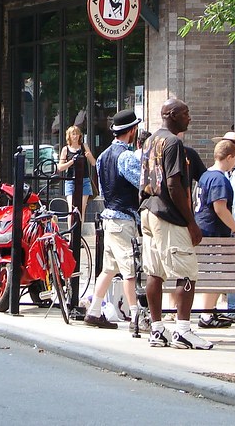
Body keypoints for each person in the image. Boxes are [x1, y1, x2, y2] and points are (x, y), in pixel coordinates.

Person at [138, 98, 212, 350]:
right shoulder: (173, 142)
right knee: (187, 271)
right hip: (168, 214)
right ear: (171, 114)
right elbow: (173, 184)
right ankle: (183, 330)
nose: (189, 118)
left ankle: (157, 330)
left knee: (154, 272)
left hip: (148, 210)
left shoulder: (149, 141)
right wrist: (191, 222)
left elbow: (145, 178)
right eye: (185, 113)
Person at [84, 110, 141, 331]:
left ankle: (95, 310)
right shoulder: (126, 156)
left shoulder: (103, 157)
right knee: (129, 270)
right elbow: (143, 183)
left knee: (109, 268)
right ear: (132, 130)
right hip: (123, 218)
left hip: (108, 216)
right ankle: (136, 317)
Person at [195, 140, 235, 328]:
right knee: (216, 273)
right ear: (229, 157)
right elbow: (220, 209)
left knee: (212, 272)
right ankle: (207, 315)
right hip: (214, 232)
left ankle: (208, 312)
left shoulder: (205, 176)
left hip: (203, 229)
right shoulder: (219, 179)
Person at [56, 125, 96, 219]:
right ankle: (71, 233)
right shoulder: (65, 149)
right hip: (70, 180)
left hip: (84, 180)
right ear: (69, 136)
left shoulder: (84, 146)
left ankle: (80, 232)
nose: (75, 136)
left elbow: (94, 163)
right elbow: (60, 167)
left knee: (81, 209)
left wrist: (89, 156)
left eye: (77, 134)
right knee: (71, 209)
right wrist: (71, 162)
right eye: (73, 134)